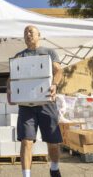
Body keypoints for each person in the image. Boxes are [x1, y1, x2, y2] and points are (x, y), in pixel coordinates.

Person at [7, 25, 63, 177]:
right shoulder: (19, 56)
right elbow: (11, 78)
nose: (28, 34)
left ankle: (54, 167)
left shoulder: (49, 52)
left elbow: (58, 71)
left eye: (31, 31)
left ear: (39, 35)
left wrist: (54, 85)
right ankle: (26, 175)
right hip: (26, 106)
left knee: (53, 144)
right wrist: (9, 91)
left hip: (47, 104)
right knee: (26, 141)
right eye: (25, 32)